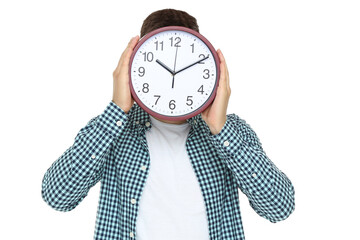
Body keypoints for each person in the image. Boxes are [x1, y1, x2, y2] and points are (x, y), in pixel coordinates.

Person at [41, 8, 295, 240]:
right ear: (133, 67)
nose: (171, 77)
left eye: (186, 66)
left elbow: (280, 208)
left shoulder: (232, 132)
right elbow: (57, 196)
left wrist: (221, 128)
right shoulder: (111, 130)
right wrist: (116, 111)